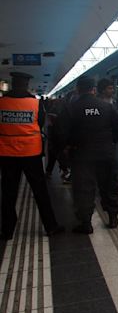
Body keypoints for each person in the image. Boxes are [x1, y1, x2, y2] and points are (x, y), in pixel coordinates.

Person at [55, 76, 118, 234]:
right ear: (94, 89)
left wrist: (68, 145)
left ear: (77, 89)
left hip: (81, 155)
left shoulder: (71, 108)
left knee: (84, 189)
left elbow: (59, 132)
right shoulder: (106, 107)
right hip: (106, 154)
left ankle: (86, 223)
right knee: (109, 187)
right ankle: (113, 217)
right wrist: (111, 141)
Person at [0, 72, 64, 240]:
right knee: (40, 191)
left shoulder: (2, 103)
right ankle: (50, 226)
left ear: (13, 84)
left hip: (7, 153)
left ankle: (7, 230)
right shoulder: (35, 104)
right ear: (27, 85)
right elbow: (40, 124)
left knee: (8, 192)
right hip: (31, 153)